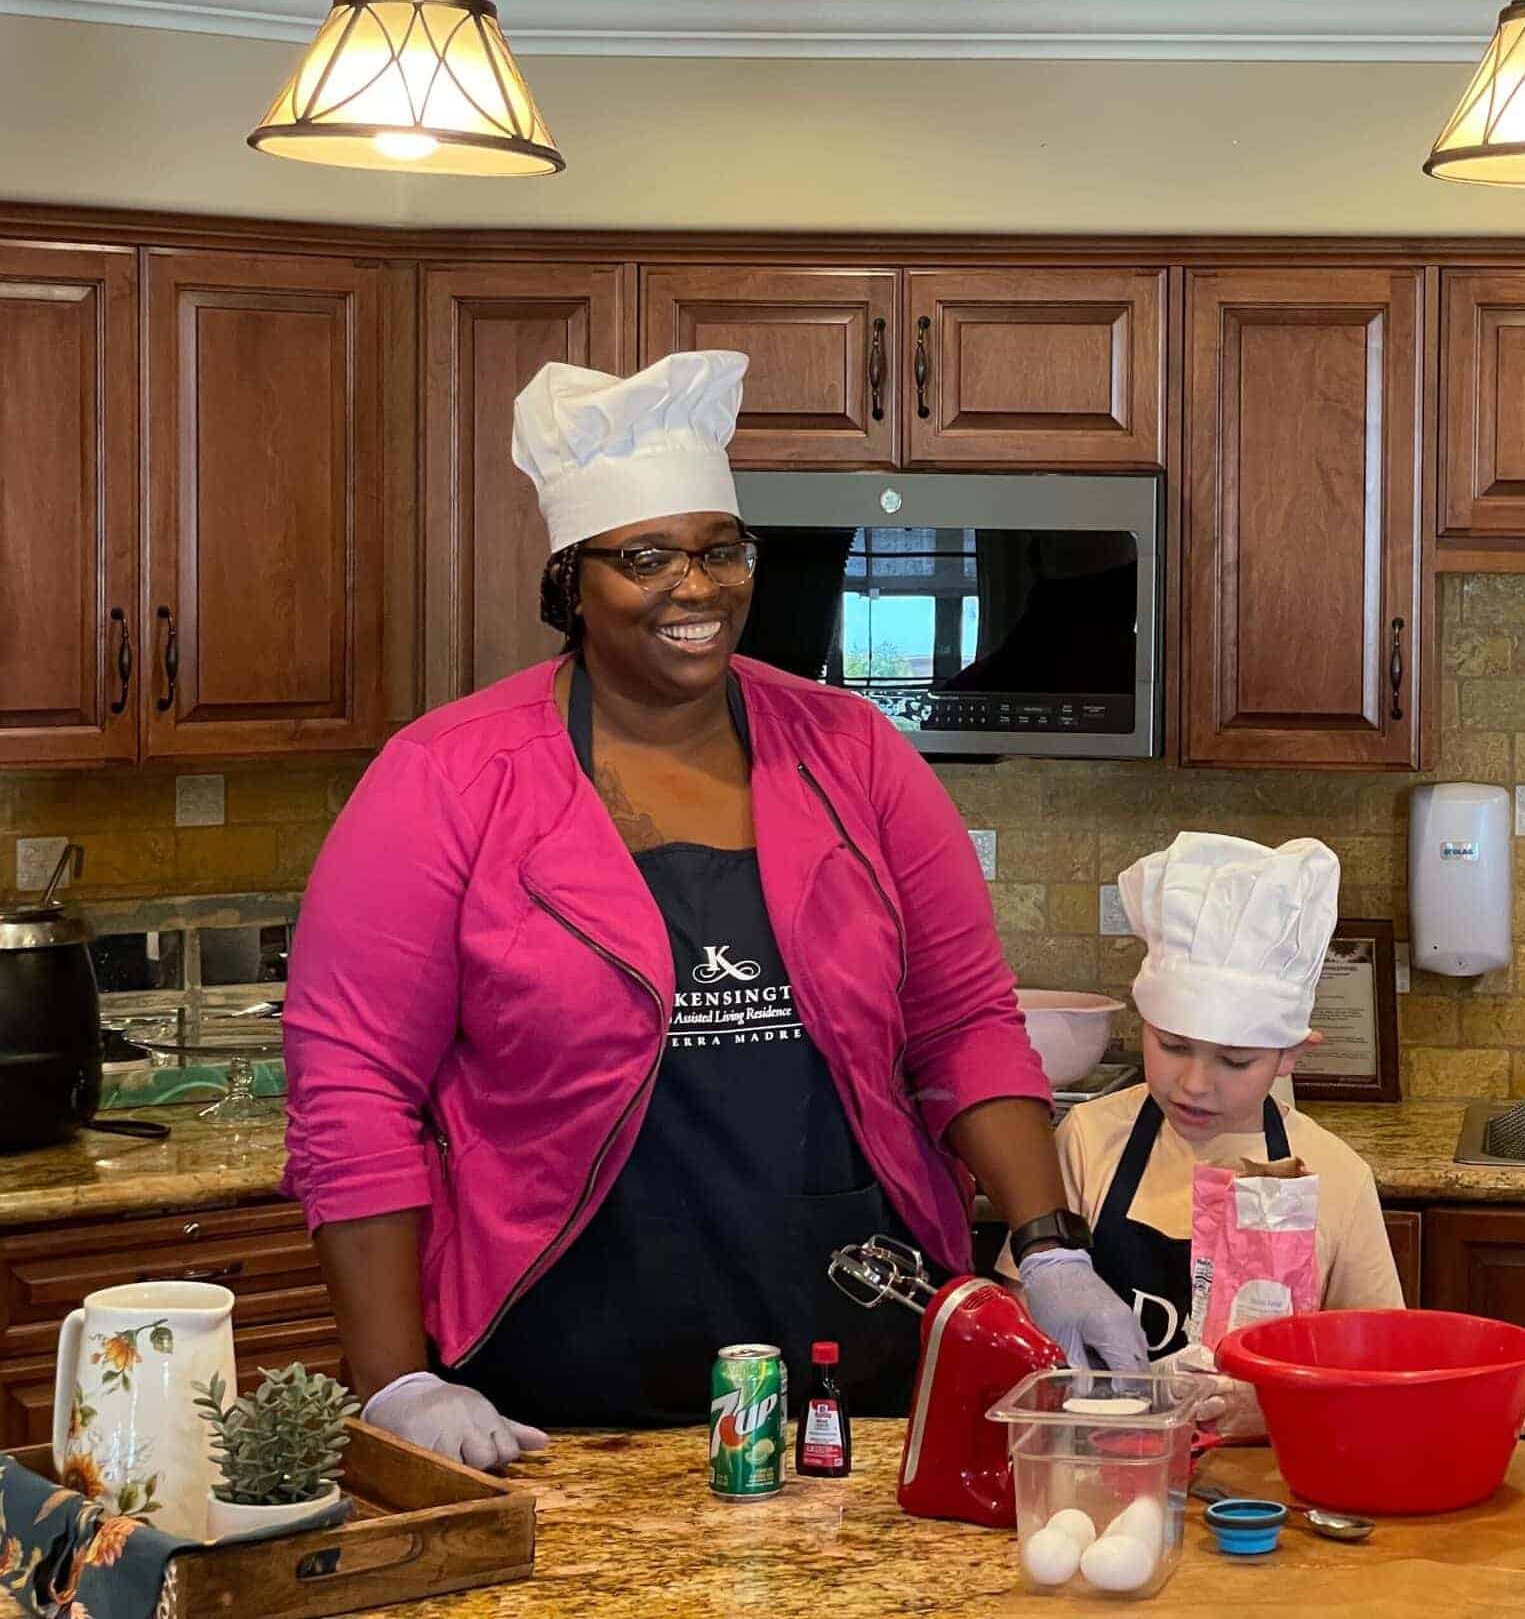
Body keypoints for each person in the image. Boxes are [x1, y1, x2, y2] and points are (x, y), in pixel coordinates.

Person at [283, 351, 1144, 1471]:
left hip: (857, 1352)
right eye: (645, 557)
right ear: (570, 580)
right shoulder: (446, 777)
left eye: (719, 550)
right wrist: (395, 1379)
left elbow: (964, 1021)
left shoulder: (853, 754)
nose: (695, 589)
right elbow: (352, 1087)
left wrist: (1048, 1249)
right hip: (558, 1366)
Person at [1022, 833, 1405, 1359]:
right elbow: (1024, 1332)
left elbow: (1374, 1361)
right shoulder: (1088, 1141)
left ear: (1289, 1054)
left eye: (1236, 1060)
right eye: (1173, 1046)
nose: (1196, 1083)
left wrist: (1272, 1404)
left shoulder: (1336, 1177)